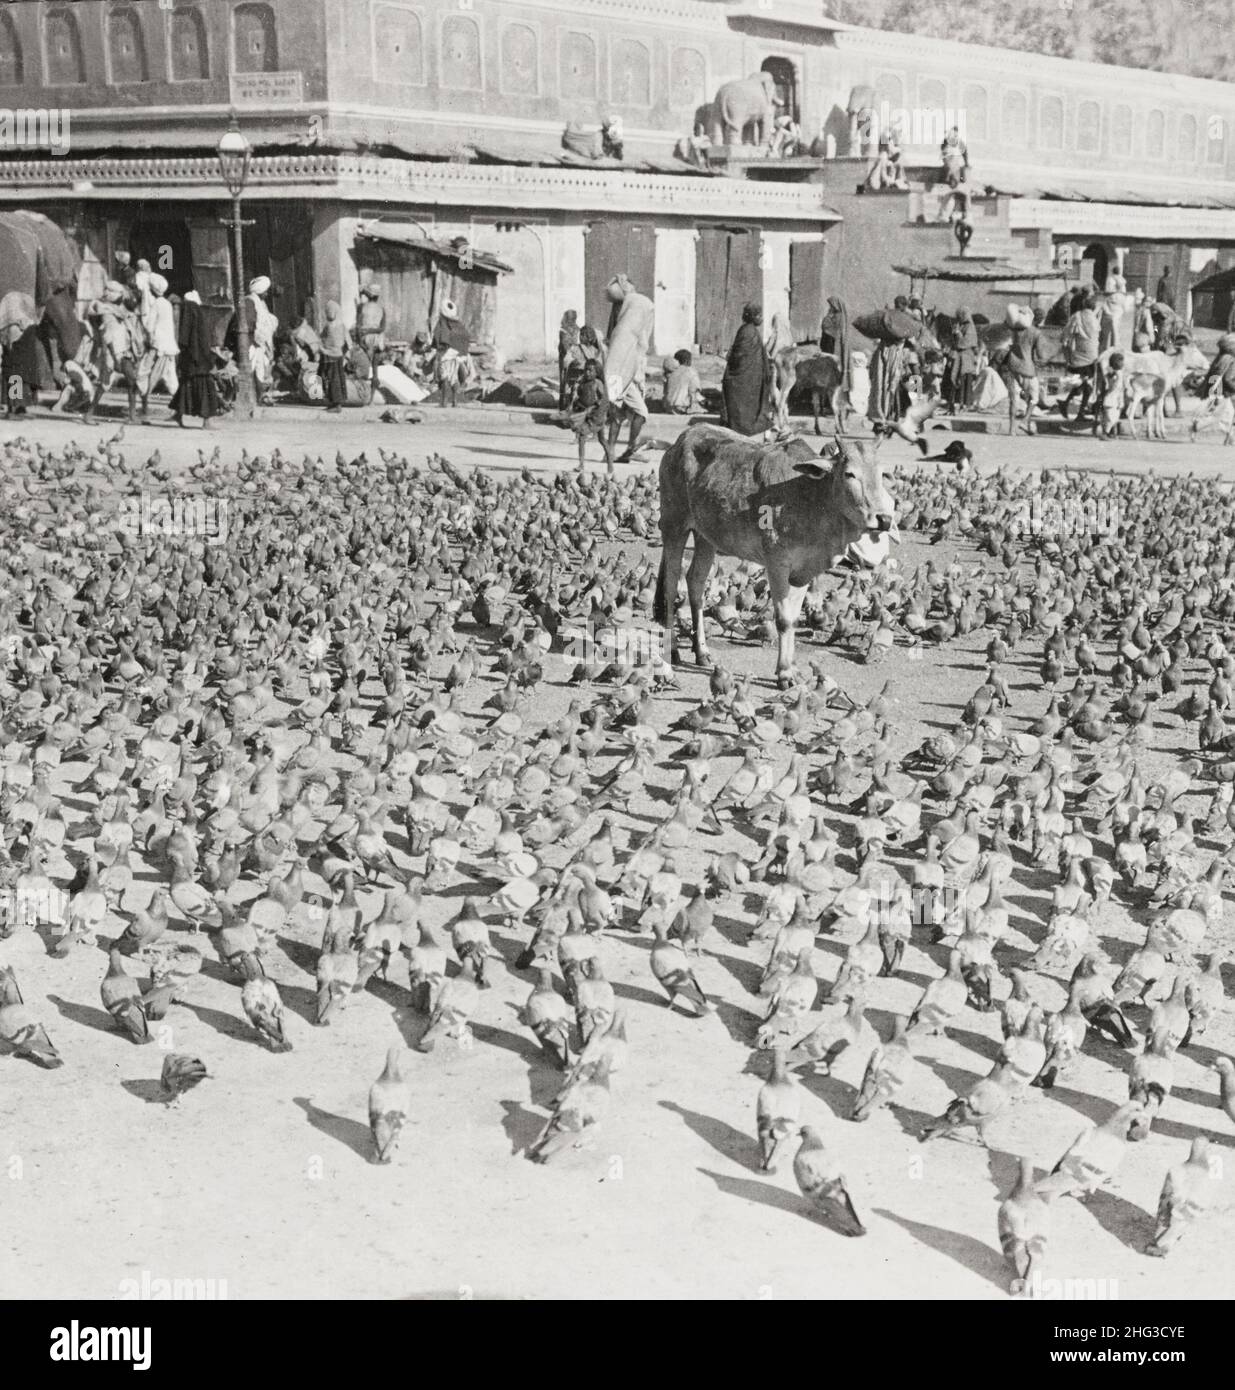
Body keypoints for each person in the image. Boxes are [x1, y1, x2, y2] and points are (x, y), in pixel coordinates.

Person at [603, 273, 654, 462]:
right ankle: (630, 450)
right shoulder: (627, 330)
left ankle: (611, 451)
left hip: (619, 376)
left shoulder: (623, 326)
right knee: (640, 412)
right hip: (624, 377)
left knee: (619, 414)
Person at [83, 280, 143, 424]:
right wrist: (114, 359)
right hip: (112, 352)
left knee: (132, 380)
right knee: (105, 384)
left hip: (123, 351)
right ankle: (89, 414)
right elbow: (107, 337)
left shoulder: (118, 310)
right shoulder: (105, 311)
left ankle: (132, 416)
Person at [168, 290, 220, 429]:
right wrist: (209, 359)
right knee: (205, 389)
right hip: (199, 360)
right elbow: (202, 341)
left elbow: (184, 338)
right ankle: (207, 421)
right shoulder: (197, 312)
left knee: (187, 386)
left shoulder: (186, 312)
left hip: (190, 358)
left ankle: (178, 414)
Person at [721, 302, 774, 436]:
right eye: (759, 315)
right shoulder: (749, 331)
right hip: (745, 377)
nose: (761, 319)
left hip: (749, 376)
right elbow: (740, 355)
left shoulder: (747, 330)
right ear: (753, 316)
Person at [996, 303, 1044, 435]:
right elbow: (1040, 355)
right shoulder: (1036, 333)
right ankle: (1025, 420)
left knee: (1013, 399)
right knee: (1034, 398)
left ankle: (1012, 430)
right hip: (1028, 369)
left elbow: (1004, 325)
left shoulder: (1015, 330)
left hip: (1012, 366)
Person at [137, 273, 179, 418]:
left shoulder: (156, 304)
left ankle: (145, 409)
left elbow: (149, 326)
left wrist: (147, 336)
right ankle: (178, 411)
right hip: (169, 346)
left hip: (158, 346)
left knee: (144, 373)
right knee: (170, 378)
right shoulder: (167, 304)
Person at [1060, 291, 1100, 421]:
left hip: (1078, 356)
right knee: (1086, 385)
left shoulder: (1077, 316)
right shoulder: (1095, 319)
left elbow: (1065, 335)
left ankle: (1067, 404)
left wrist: (1066, 347)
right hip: (1092, 357)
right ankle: (1079, 413)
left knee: (1084, 384)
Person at [569, 358, 611, 470]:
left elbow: (604, 399)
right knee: (587, 438)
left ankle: (610, 465)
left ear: (597, 372)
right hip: (587, 415)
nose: (587, 373)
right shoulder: (583, 383)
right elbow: (581, 397)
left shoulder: (597, 383)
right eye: (586, 370)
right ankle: (581, 464)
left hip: (597, 416)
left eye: (590, 371)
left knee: (601, 440)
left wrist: (595, 407)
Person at [433, 297, 472, 408]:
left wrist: (438, 350)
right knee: (454, 377)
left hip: (446, 354)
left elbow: (440, 337)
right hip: (458, 355)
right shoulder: (459, 325)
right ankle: (455, 401)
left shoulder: (443, 323)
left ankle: (444, 402)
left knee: (444, 377)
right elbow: (465, 339)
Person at [820, 295, 853, 404]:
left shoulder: (837, 317)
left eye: (831, 305)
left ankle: (833, 402)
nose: (829, 307)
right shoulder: (838, 316)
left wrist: (828, 316)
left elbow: (826, 327)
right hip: (832, 347)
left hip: (834, 348)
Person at [949, 306, 980, 412]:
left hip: (966, 357)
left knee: (965, 380)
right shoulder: (960, 325)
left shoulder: (970, 327)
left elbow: (966, 342)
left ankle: (965, 403)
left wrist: (958, 334)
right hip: (958, 356)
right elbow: (954, 342)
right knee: (957, 380)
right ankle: (957, 402)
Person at [319, 300, 348, 413]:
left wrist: (341, 353)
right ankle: (333, 402)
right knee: (331, 378)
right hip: (330, 355)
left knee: (334, 379)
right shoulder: (331, 325)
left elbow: (347, 342)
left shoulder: (339, 325)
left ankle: (337, 404)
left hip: (333, 356)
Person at [1097, 350, 1127, 439]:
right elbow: (1117, 387)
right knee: (1111, 418)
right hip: (1112, 399)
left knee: (1112, 417)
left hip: (1112, 399)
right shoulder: (1117, 374)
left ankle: (1111, 433)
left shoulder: (1114, 373)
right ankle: (1105, 434)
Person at [663, 349, 702, 414]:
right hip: (682, 406)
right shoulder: (691, 371)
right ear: (687, 360)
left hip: (668, 406)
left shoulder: (670, 372)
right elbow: (694, 390)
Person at [356, 285, 386, 362]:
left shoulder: (361, 307)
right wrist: (371, 330)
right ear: (378, 296)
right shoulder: (381, 309)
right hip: (377, 340)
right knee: (374, 366)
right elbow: (382, 328)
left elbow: (358, 326)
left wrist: (360, 340)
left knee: (365, 364)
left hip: (364, 339)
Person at [558, 309, 581, 409]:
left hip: (566, 359)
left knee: (564, 381)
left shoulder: (564, 330)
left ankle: (563, 405)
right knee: (573, 381)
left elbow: (564, 346)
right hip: (576, 358)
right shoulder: (578, 329)